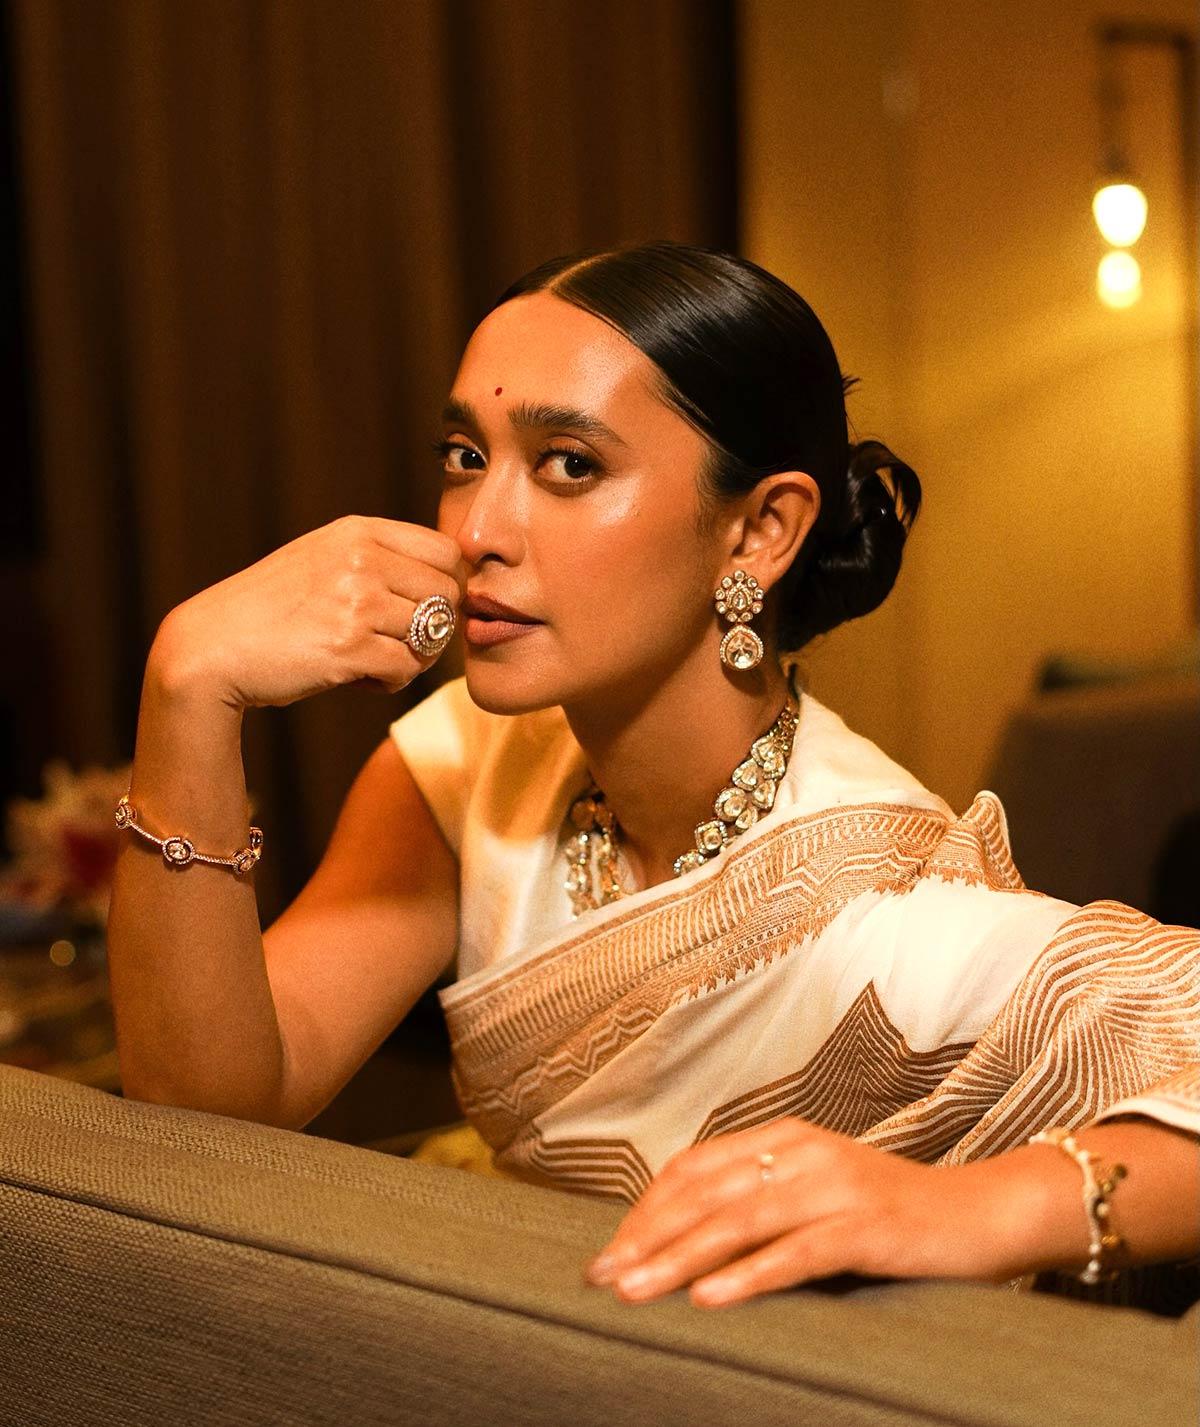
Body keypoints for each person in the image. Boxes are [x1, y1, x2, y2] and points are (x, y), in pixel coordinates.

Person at [107, 239, 1199, 1314]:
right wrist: (188, 688)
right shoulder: (468, 765)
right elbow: (208, 1105)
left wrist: (963, 1210)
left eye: (569, 465)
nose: (477, 530)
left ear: (760, 530)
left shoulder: (882, 902)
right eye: (465, 455)